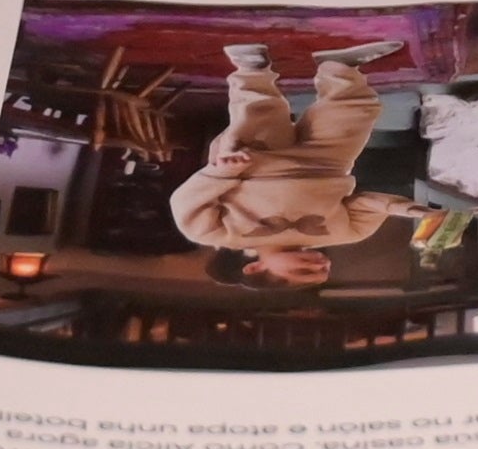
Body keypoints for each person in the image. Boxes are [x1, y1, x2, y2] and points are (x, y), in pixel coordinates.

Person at [169, 37, 416, 284]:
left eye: (304, 271)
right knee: (353, 113)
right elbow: (365, 205)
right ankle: (339, 67)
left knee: (260, 112)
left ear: (254, 267)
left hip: (255, 166)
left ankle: (251, 68)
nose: (322, 264)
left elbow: (186, 202)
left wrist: (221, 174)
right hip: (328, 163)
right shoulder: (346, 234)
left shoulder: (217, 235)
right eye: (325, 270)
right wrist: (403, 208)